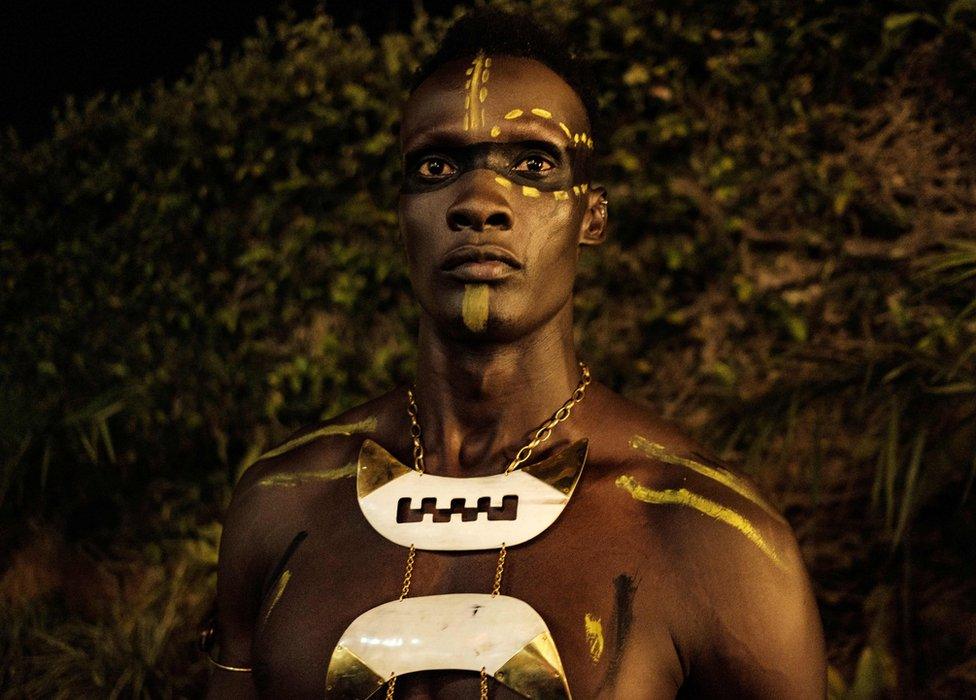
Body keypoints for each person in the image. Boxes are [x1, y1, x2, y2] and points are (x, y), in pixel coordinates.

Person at [205, 8, 826, 698]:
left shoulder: (712, 539)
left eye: (532, 163)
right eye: (437, 165)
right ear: (402, 212)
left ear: (591, 215)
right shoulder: (282, 507)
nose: (479, 202)